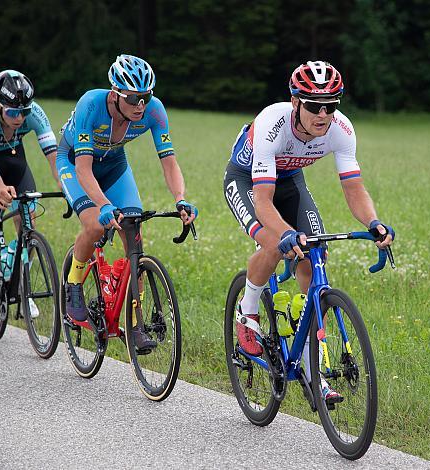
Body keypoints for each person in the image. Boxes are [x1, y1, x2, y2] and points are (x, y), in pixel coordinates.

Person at [223, 61, 395, 404]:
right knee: (275, 244)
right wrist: (286, 234)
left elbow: (354, 189)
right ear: (295, 102)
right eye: (315, 106)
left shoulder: (341, 129)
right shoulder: (273, 123)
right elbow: (263, 202)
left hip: (291, 183)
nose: (324, 114)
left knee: (314, 253)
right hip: (248, 183)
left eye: (331, 106)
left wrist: (373, 222)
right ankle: (248, 309)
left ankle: (308, 360)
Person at [57, 54, 197, 350]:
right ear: (115, 94)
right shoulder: (91, 105)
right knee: (95, 226)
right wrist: (104, 204)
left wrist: (181, 199)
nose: (140, 105)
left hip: (114, 163)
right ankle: (73, 285)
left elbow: (169, 161)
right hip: (74, 162)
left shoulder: (154, 111)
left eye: (145, 97)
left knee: (134, 234)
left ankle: (135, 324)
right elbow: (83, 169)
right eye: (133, 98)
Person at [0, 70, 59, 316]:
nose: (19, 118)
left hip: (13, 157)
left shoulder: (34, 113)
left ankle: (21, 282)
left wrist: (68, 188)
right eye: (13, 112)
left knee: (28, 214)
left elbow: (55, 159)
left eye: (23, 112)